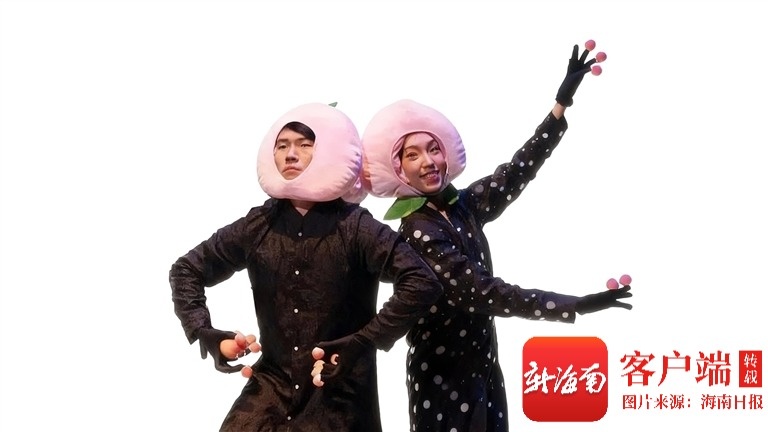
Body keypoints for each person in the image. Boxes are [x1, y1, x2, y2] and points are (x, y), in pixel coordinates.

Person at [356, 40, 633, 431]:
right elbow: (484, 292)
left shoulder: (462, 205)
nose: (429, 162)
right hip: (443, 379)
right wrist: (575, 305)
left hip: (484, 366)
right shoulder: (417, 230)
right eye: (413, 155)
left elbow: (516, 172)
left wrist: (560, 106)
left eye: (433, 149)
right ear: (398, 168)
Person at [169, 102, 443, 432]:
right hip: (271, 387)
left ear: (326, 151)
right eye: (282, 145)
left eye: (304, 144)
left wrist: (363, 341)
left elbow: (421, 281)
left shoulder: (356, 227)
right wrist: (206, 334)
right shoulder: (258, 225)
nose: (290, 154)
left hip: (340, 395)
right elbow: (186, 270)